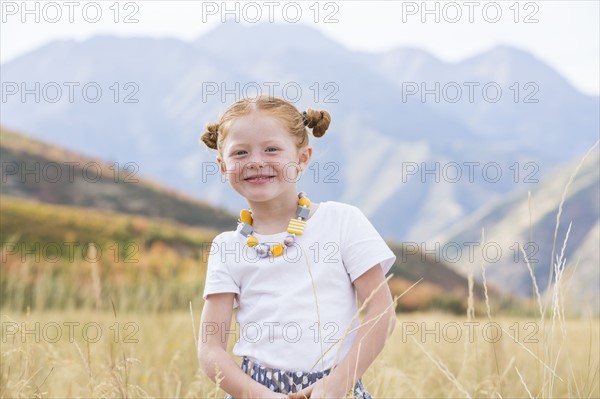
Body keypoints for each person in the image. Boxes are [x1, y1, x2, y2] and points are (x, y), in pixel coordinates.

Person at [198, 95, 397, 399]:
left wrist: (335, 386)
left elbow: (381, 312)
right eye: (240, 153)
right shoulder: (227, 247)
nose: (255, 161)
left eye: (272, 149)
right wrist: (260, 396)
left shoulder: (342, 221)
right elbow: (210, 348)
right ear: (223, 166)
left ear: (303, 158)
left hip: (335, 389)